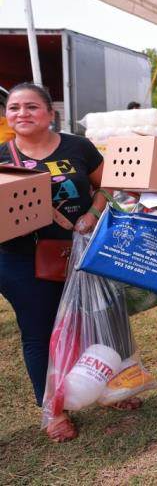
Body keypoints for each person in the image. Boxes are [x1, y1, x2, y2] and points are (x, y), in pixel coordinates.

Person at [0, 83, 112, 442]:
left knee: (91, 322)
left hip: (80, 251)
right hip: (20, 260)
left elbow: (109, 183)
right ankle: (53, 409)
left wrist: (93, 213)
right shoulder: (2, 156)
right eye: (14, 108)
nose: (22, 114)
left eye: (31, 107)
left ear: (50, 113)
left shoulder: (77, 147)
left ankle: (105, 388)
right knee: (39, 332)